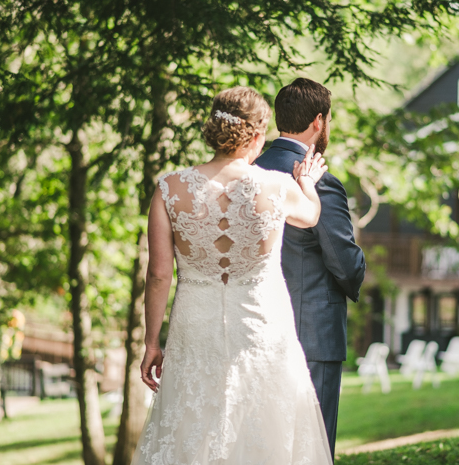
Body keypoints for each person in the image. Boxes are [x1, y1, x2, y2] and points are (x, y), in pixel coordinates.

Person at [132, 86, 333, 465]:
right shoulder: (277, 186)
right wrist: (307, 182)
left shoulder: (170, 189)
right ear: (257, 136)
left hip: (195, 324)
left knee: (193, 425)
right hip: (262, 323)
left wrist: (151, 342)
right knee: (265, 422)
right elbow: (311, 215)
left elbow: (159, 274)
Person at [255, 78, 366, 458]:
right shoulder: (321, 182)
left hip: (255, 328)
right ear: (319, 122)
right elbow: (345, 264)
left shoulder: (250, 172)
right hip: (313, 334)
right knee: (311, 446)